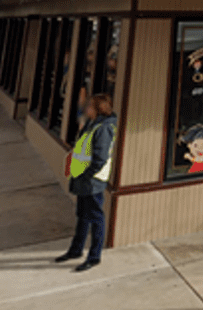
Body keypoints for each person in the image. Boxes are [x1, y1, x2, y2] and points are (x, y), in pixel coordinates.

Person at [56, 93, 117, 271]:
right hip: (83, 179)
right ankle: (76, 250)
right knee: (82, 216)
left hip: (93, 182)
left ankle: (95, 256)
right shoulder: (92, 124)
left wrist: (86, 175)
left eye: (90, 106)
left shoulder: (103, 128)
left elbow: (100, 158)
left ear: (98, 109)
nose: (86, 108)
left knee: (96, 218)